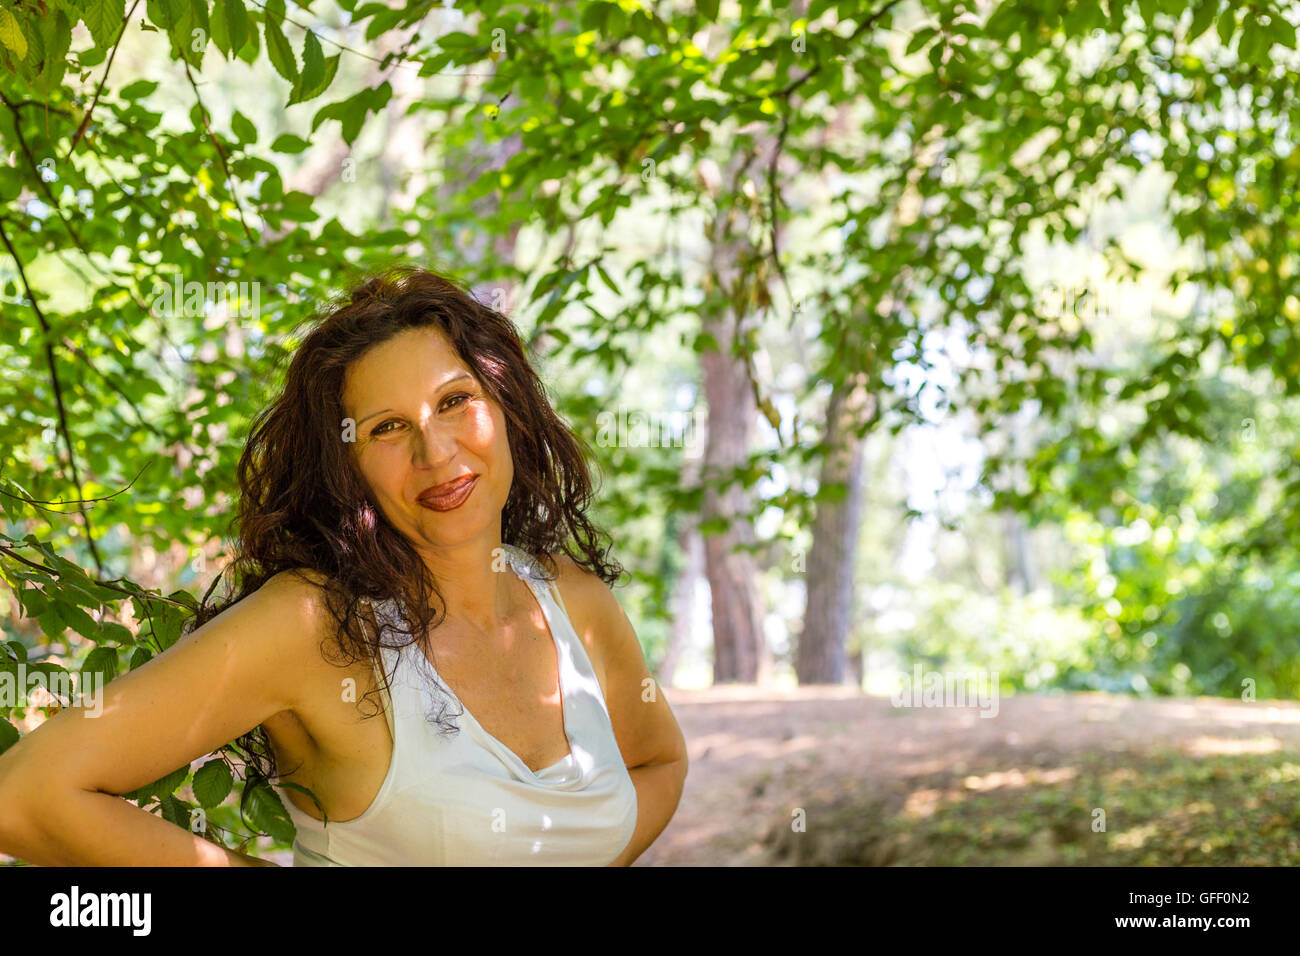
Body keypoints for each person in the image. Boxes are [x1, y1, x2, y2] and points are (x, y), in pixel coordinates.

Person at [0, 265, 688, 866]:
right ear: (345, 466)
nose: (437, 452)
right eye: (387, 427)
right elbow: (26, 796)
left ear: (508, 408)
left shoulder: (576, 603)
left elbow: (658, 761)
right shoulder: (312, 625)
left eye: (455, 401)